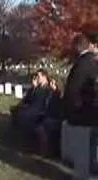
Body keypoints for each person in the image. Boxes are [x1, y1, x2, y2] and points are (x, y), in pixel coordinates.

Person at [63, 33, 98, 180]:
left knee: (83, 153)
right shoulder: (93, 62)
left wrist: (72, 110)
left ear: (76, 47)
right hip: (92, 113)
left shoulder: (83, 64)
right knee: (91, 150)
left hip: (82, 115)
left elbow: (72, 91)